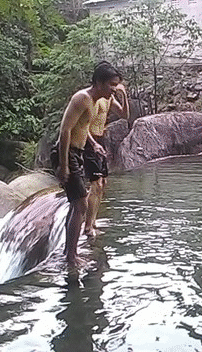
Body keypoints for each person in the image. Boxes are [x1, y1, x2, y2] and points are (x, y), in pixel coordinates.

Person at [51, 61, 123, 267]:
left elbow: (83, 130)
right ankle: (71, 257)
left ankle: (69, 252)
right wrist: (64, 165)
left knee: (77, 205)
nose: (114, 89)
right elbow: (65, 130)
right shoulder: (82, 98)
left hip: (78, 153)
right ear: (99, 82)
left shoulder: (95, 101)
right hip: (67, 152)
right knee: (81, 204)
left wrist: (91, 146)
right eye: (111, 84)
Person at [82, 75, 129, 236]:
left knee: (103, 183)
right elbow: (83, 125)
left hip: (100, 139)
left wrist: (124, 96)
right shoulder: (93, 100)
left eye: (116, 85)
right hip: (89, 141)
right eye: (112, 84)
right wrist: (93, 144)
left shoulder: (109, 99)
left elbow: (124, 115)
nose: (114, 88)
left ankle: (93, 221)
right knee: (96, 183)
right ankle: (88, 226)